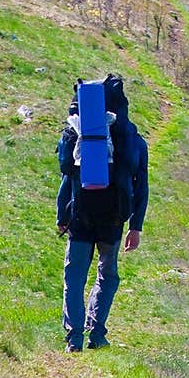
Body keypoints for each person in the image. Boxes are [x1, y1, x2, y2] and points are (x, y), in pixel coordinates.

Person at [56, 76, 148, 352]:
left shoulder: (76, 133)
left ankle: (74, 339)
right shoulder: (132, 138)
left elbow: (68, 177)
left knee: (74, 277)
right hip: (113, 217)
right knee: (107, 275)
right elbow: (141, 185)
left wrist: (62, 215)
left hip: (81, 213)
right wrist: (136, 225)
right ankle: (96, 333)